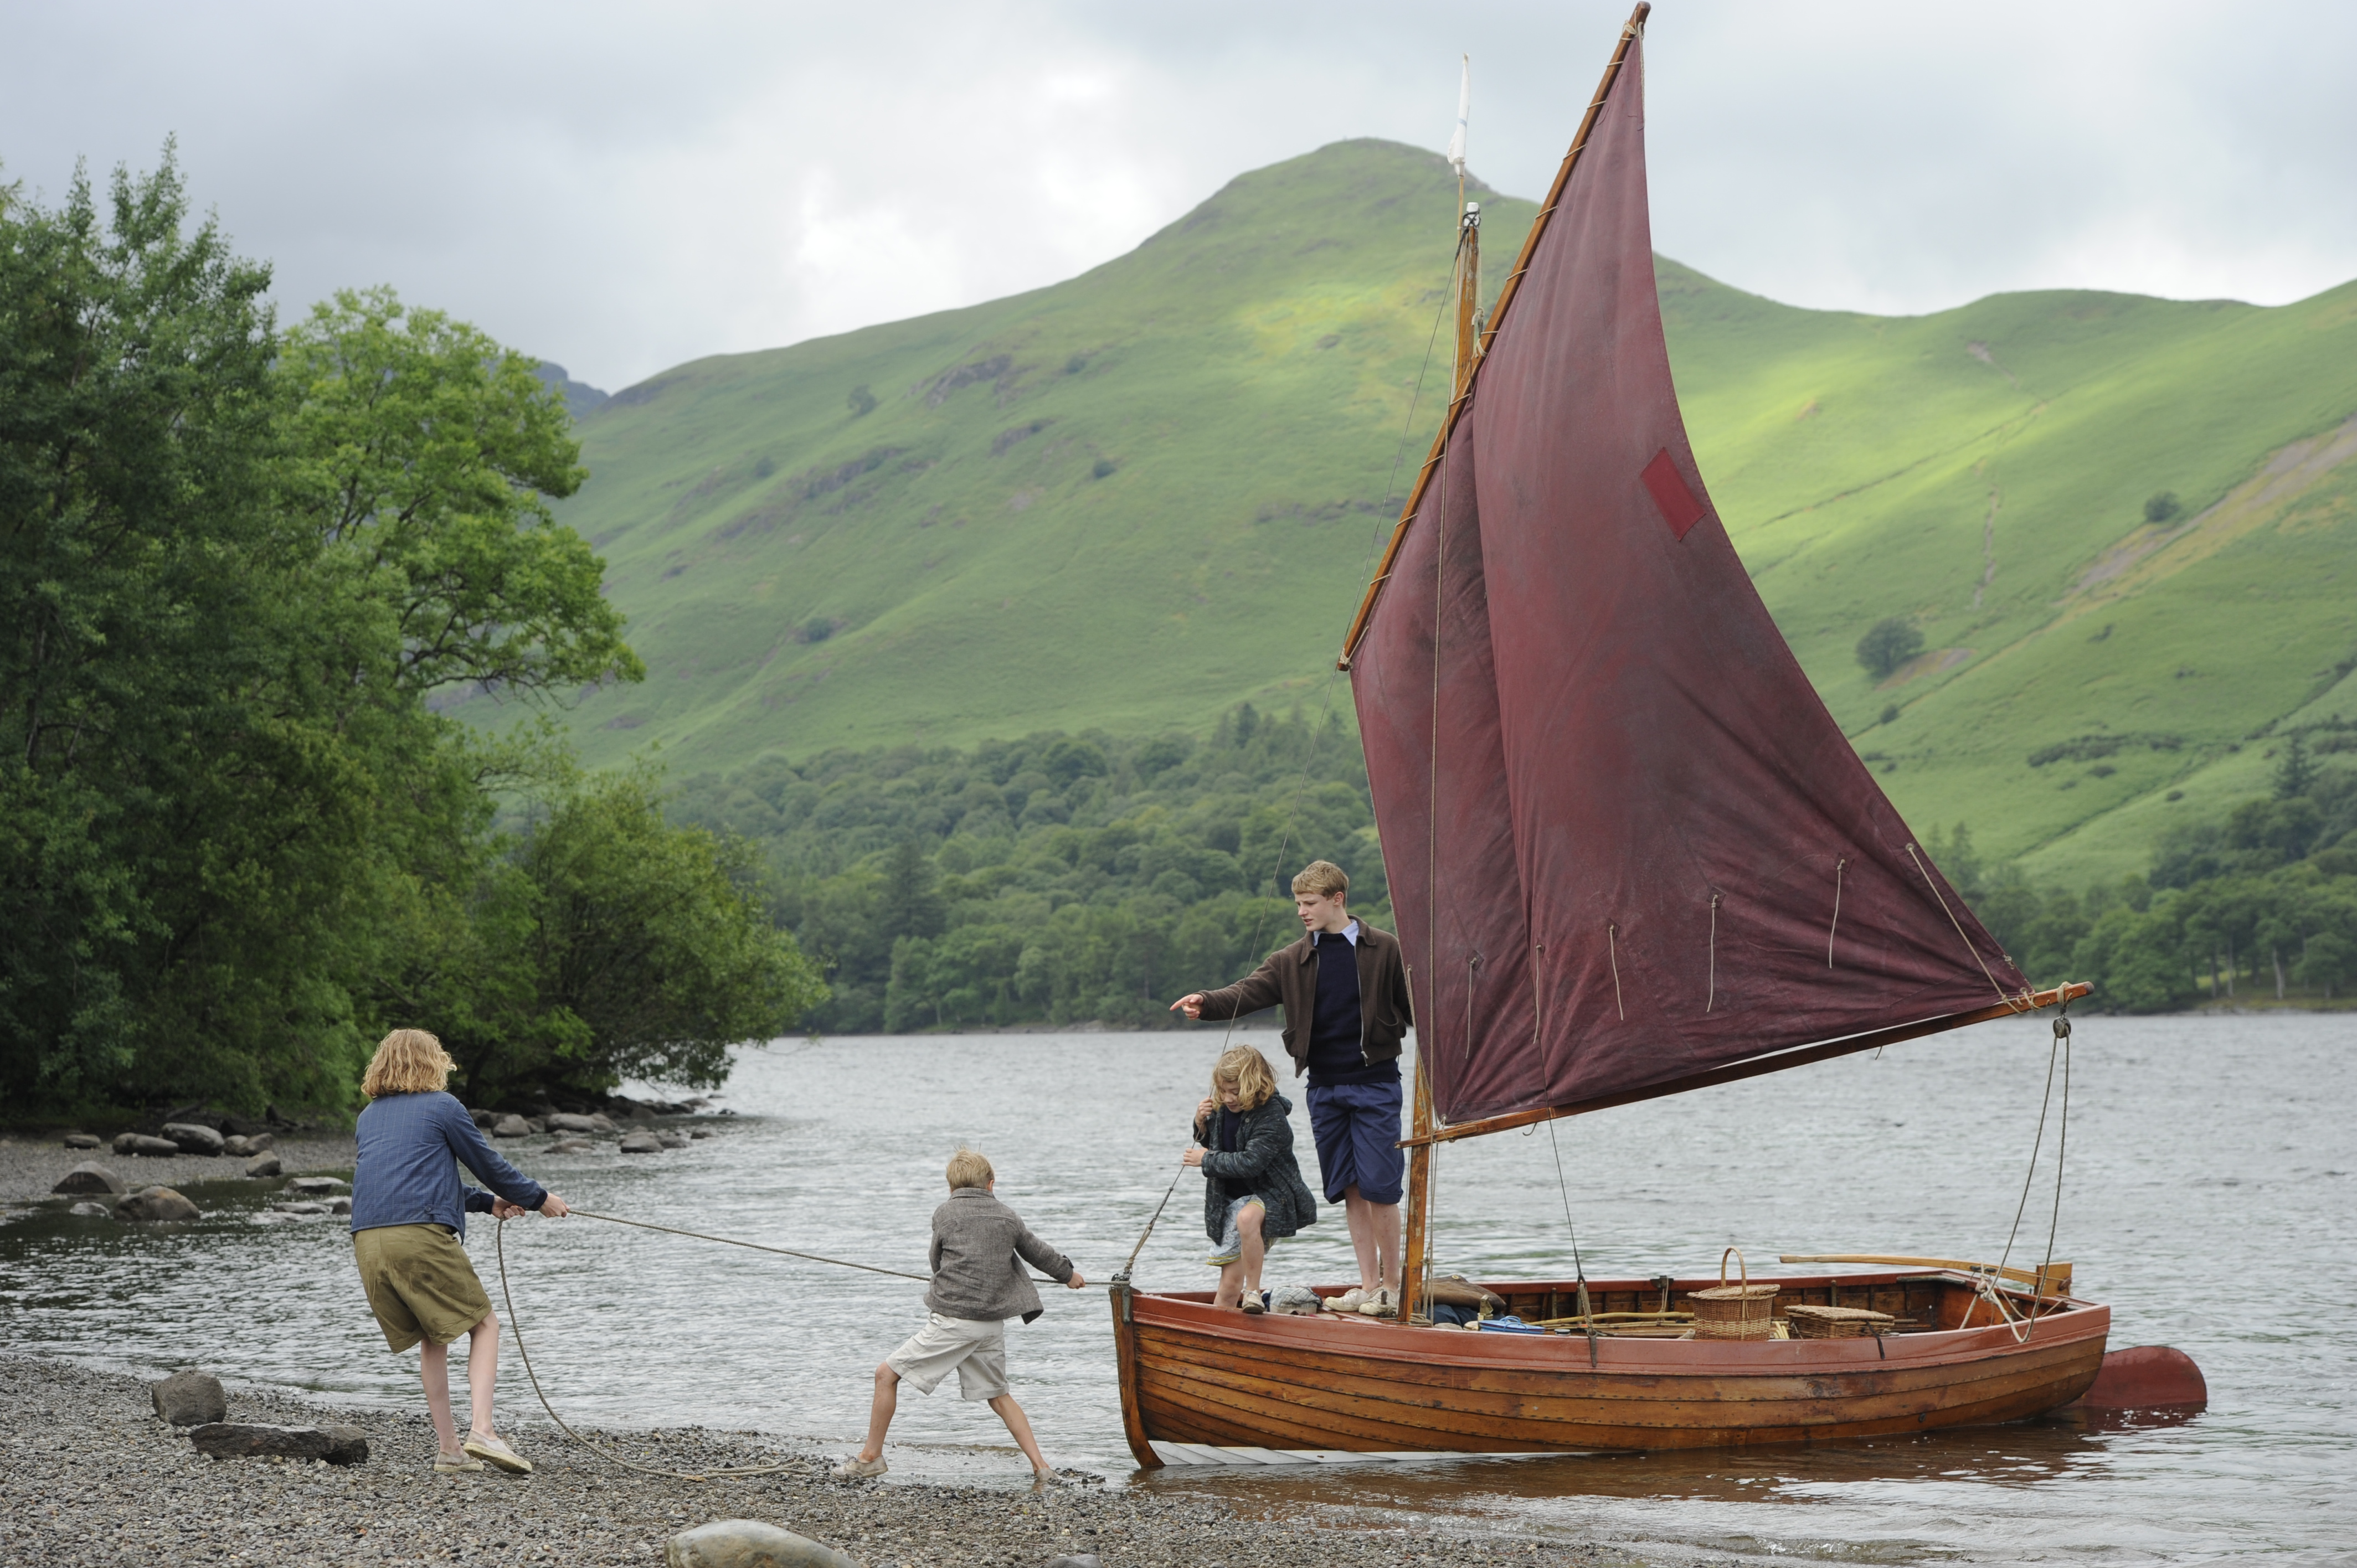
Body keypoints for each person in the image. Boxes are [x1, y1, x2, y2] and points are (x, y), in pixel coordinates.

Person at [1169, 860, 1413, 1316]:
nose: (1302, 912)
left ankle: (1392, 1288)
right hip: (1323, 1089)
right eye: (1298, 904)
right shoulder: (1292, 960)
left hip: (1375, 1083)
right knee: (1350, 1187)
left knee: (1381, 1187)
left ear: (1336, 899)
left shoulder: (1385, 949)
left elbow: (1417, 1006)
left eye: (1309, 903)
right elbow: (1248, 991)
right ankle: (1367, 1284)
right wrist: (1206, 1002)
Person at [348, 1028, 569, 1475]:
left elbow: (411, 1179)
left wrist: (488, 1204)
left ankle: (450, 1450)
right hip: (418, 1236)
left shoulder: (368, 1117)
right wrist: (536, 1197)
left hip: (368, 1241)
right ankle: (483, 1431)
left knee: (435, 1337)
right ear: (433, 1064)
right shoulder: (443, 1107)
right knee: (484, 1325)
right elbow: (487, 1163)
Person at [836, 1148, 1084, 1483]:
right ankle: (1041, 1467)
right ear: (991, 1184)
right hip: (991, 1324)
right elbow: (1038, 1251)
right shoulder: (1008, 1216)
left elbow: (935, 1259)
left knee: (886, 1375)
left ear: (951, 1188)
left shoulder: (946, 1213)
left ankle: (870, 1458)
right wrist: (1069, 1275)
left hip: (956, 1320)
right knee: (999, 1395)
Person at [1185, 1044, 1318, 1312]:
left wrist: (1206, 1159)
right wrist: (1200, 1123)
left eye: (1235, 1092)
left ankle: (1254, 1291)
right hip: (1231, 1201)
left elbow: (1250, 1163)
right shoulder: (1224, 1108)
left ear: (1255, 1086)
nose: (1228, 1098)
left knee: (1247, 1218)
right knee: (1228, 1286)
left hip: (1272, 1194)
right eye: (1223, 1091)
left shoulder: (1272, 1117)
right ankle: (1220, 1340)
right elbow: (1215, 1141)